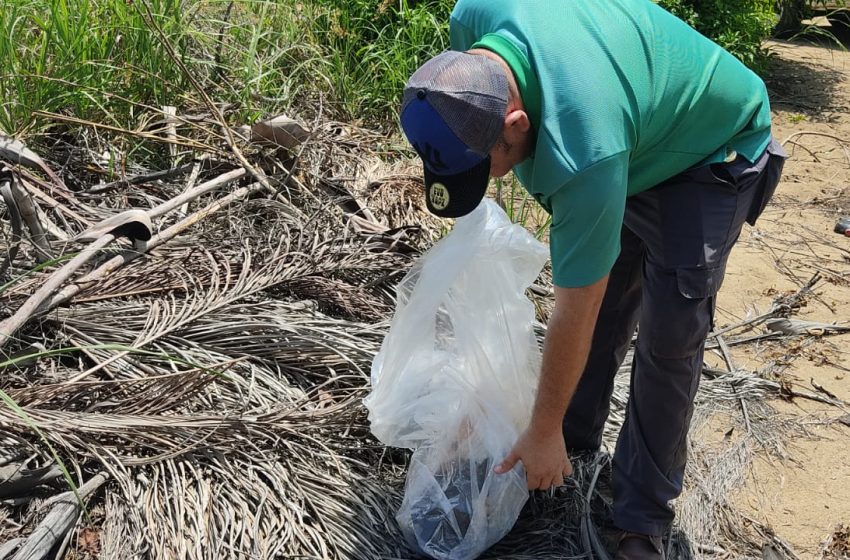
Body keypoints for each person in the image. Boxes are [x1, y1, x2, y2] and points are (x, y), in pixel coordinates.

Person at [398, 0, 787, 558]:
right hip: (633, 124)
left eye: (489, 166)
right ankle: (567, 448)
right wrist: (546, 430)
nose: (495, 179)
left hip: (710, 149)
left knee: (669, 339)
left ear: (517, 123)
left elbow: (573, 307)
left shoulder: (584, 154)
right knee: (604, 312)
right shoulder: (473, 20)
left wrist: (539, 425)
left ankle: (641, 517)